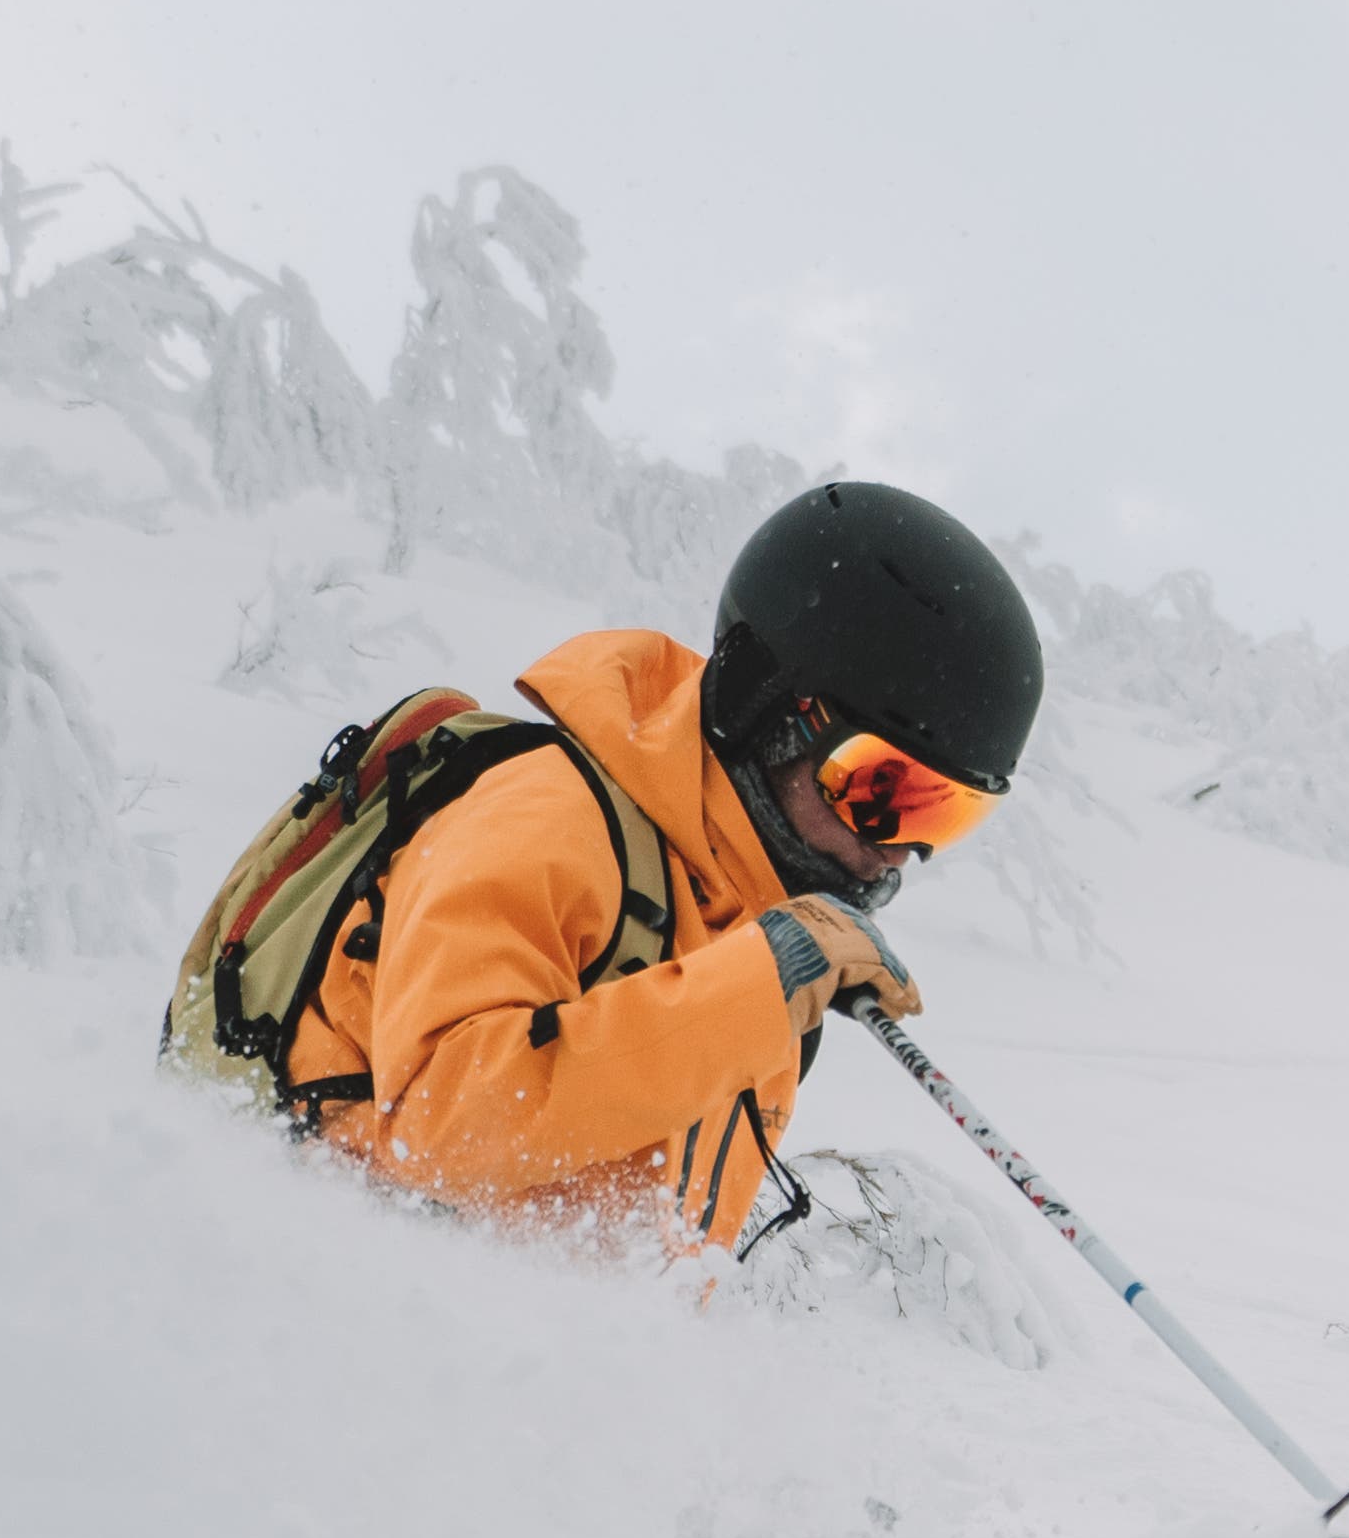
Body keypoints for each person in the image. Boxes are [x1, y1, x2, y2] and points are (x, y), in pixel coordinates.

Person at [163, 478, 1045, 1246]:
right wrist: (761, 982)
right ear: (761, 709)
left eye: (947, 811)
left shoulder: (743, 929)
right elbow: (437, 1121)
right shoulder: (553, 821)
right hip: (315, 1321)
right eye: (878, 785)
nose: (900, 844)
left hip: (520, 1393)